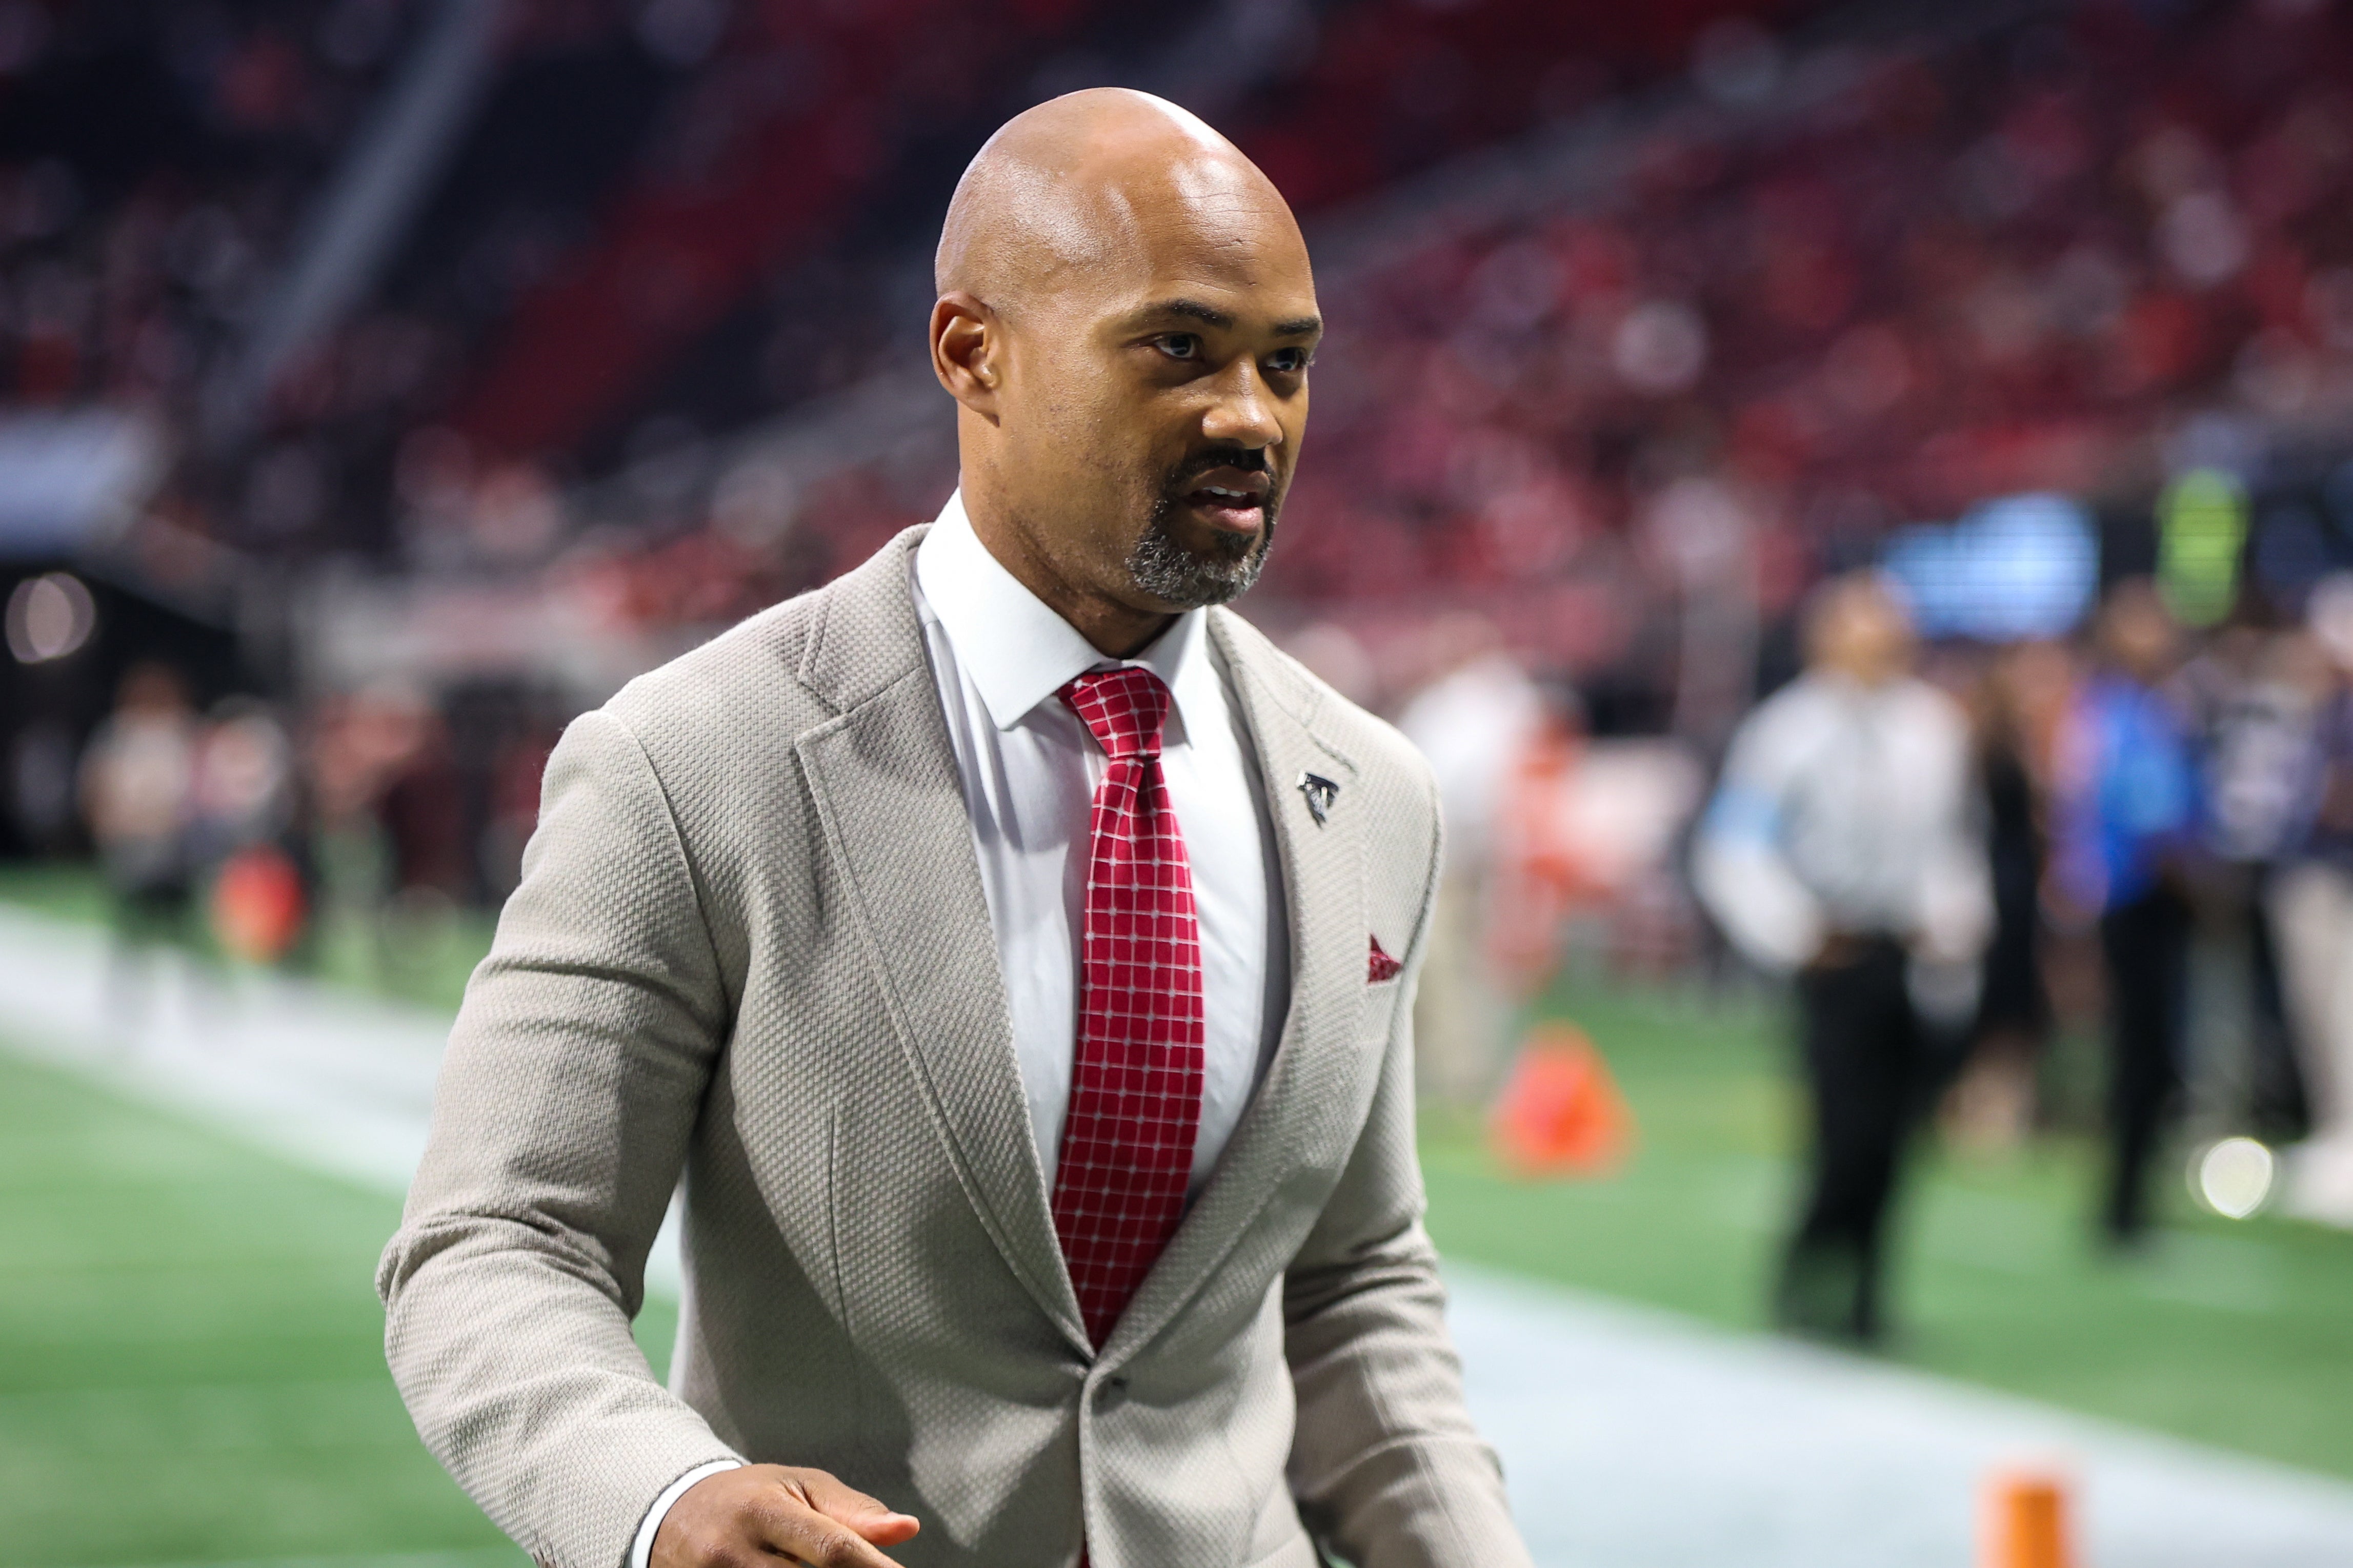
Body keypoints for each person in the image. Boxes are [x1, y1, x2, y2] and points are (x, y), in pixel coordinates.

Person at [379, 90, 1530, 1568]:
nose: (1251, 414)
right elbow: (493, 1241)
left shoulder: (1372, 790)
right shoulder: (689, 760)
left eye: (1287, 363)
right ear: (970, 351)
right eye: (1179, 345)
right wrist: (658, 1501)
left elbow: (1350, 1287)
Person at [1693, 573, 1991, 1343]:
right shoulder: (1784, 732)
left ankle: (1867, 1291)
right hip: (1833, 955)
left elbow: (1951, 843)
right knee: (1843, 1133)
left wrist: (1953, 926)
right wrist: (1793, 932)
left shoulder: (1932, 727)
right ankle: (1804, 1270)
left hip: (1906, 951)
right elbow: (1733, 848)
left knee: (1896, 1140)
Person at [2053, 579, 2201, 1247]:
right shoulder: (2106, 711)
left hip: (2159, 898)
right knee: (2134, 1053)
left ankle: (2135, 1196)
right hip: (2127, 897)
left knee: (2157, 1055)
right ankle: (2119, 1206)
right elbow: (2134, 810)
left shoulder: (2161, 706)